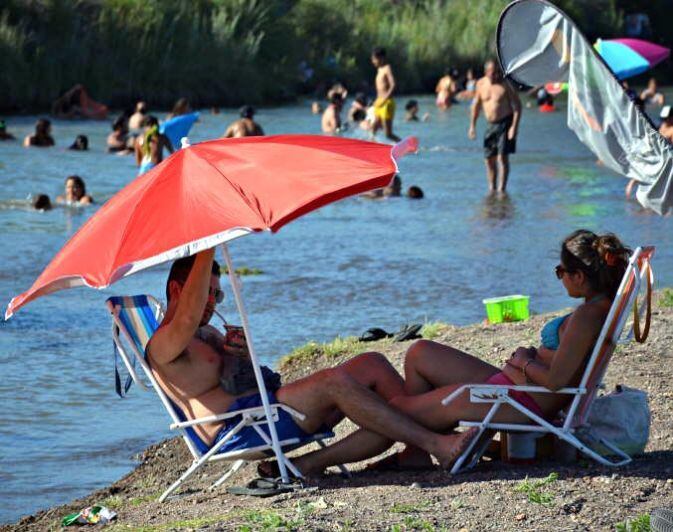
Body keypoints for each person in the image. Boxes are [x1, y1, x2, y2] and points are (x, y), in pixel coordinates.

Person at [274, 230, 631, 475]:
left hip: (524, 401)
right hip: (517, 388)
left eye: (561, 272)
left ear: (580, 277)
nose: (560, 278)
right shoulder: (597, 307)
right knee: (420, 352)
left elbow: (556, 383)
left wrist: (524, 361)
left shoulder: (586, 316)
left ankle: (310, 464)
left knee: (394, 411)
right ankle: (415, 453)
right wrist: (524, 364)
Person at [145, 250, 465, 472]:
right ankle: (437, 443)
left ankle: (416, 452)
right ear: (177, 289)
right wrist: (208, 243)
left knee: (373, 362)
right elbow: (186, 316)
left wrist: (238, 357)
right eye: (206, 294)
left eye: (218, 295)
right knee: (332, 381)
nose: (212, 303)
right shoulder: (163, 345)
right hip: (239, 429)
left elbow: (239, 379)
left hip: (264, 410)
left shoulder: (208, 334)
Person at [469, 59, 522, 192]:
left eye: (498, 72)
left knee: (502, 157)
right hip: (490, 125)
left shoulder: (506, 84)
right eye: (493, 73)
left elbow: (517, 107)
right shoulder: (480, 84)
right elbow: (476, 106)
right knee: (488, 159)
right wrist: (472, 126)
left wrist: (514, 128)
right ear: (486, 72)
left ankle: (501, 190)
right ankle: (492, 189)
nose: (497, 75)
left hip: (505, 123)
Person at [626, 105, 673, 198]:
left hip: (665, 159)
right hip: (655, 155)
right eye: (663, 119)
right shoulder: (662, 126)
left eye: (667, 118)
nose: (665, 120)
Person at [371, 47, 401, 142]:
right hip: (379, 102)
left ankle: (405, 146)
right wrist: (377, 101)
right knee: (373, 128)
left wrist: (384, 100)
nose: (373, 61)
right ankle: (371, 147)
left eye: (374, 59)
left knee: (388, 134)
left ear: (381, 58)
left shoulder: (387, 68)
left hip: (387, 103)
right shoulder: (379, 70)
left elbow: (393, 85)